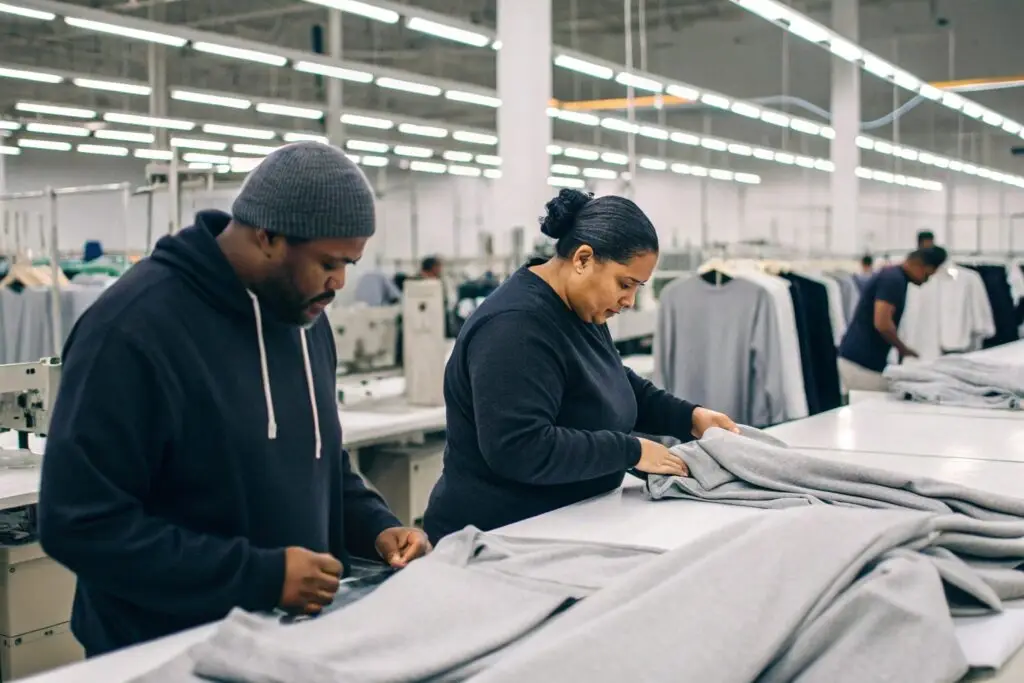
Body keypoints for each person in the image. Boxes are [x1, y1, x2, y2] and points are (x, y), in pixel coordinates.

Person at [38, 142, 430, 657]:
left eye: (351, 263)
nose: (339, 283)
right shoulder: (133, 329)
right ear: (267, 235)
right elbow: (78, 523)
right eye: (329, 263)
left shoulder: (305, 318)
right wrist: (261, 576)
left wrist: (376, 527)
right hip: (167, 653)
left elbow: (319, 460)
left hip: (289, 643)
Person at [422, 189, 738, 544]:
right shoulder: (515, 326)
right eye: (625, 284)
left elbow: (612, 382)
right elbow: (520, 447)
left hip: (559, 524)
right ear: (583, 259)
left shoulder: (578, 308)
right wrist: (631, 451)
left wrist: (688, 417)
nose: (630, 301)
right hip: (495, 538)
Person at [837, 246, 948, 391]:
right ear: (919, 266)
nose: (926, 281)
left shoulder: (894, 277)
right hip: (861, 363)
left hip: (858, 360)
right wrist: (903, 348)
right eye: (927, 275)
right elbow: (882, 323)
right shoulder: (893, 280)